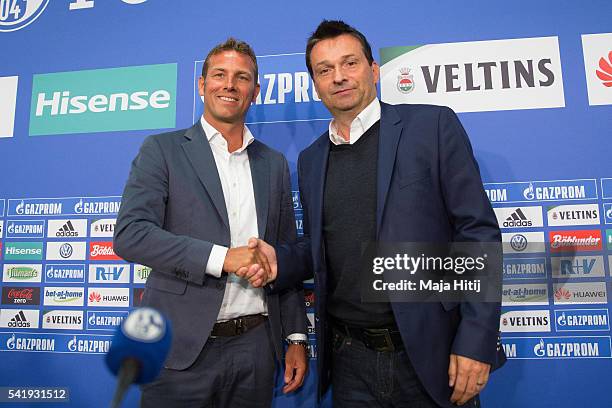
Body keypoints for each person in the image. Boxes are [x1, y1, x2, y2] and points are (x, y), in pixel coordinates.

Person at [243, 21, 506, 407]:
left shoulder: (431, 126)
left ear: (374, 70)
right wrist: (280, 260)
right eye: (325, 70)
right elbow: (323, 247)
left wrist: (476, 340)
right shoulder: (312, 160)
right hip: (350, 362)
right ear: (315, 84)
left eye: (349, 63)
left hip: (430, 355)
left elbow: (477, 233)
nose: (339, 78)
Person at [113, 38, 308, 408]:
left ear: (255, 92)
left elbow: (286, 255)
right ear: (202, 85)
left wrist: (297, 338)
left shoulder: (274, 163)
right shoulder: (162, 150)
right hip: (180, 350)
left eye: (242, 77)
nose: (229, 85)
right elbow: (130, 235)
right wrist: (222, 258)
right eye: (219, 75)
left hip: (256, 348)